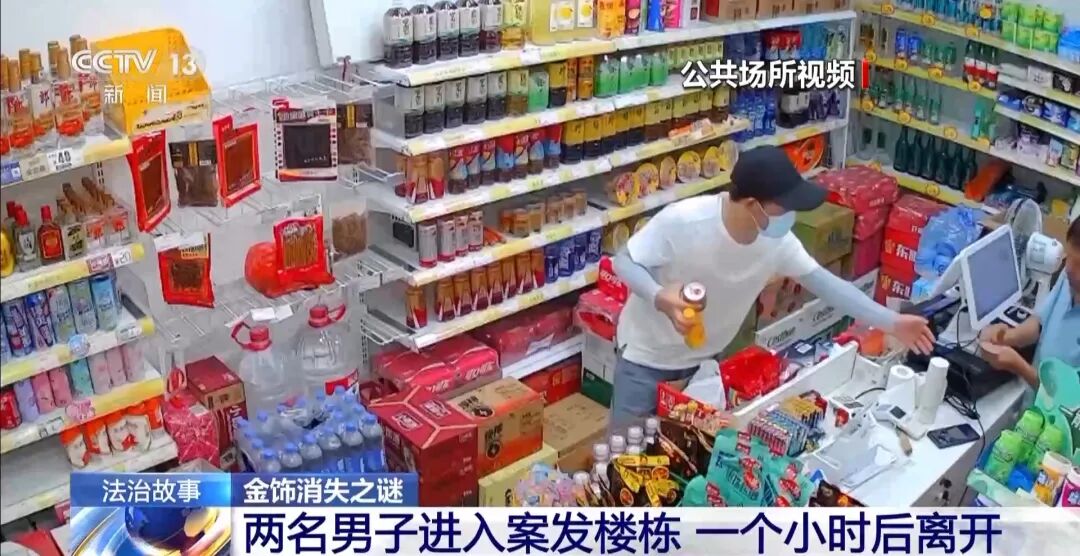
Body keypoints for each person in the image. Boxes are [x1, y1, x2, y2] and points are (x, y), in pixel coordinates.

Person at [610, 146, 936, 430]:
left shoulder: (777, 243)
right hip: (646, 363)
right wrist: (659, 297)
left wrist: (892, 322)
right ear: (753, 205)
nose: (790, 216)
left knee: (683, 458)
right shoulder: (685, 220)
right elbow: (624, 261)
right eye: (784, 207)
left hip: (704, 365)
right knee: (624, 460)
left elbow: (829, 286)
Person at [980, 216, 1080, 385]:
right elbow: (1040, 323)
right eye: (1069, 257)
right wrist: (1006, 337)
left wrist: (1019, 367)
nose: (1068, 269)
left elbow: (1067, 399)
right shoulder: (1069, 275)